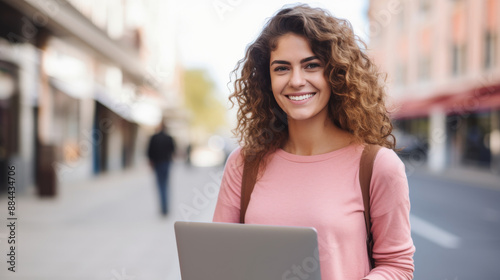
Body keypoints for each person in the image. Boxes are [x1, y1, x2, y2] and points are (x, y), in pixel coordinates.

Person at [213, 4, 415, 280]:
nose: (296, 81)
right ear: (267, 79)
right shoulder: (243, 163)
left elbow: (398, 266)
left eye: (311, 65)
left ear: (335, 73)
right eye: (282, 68)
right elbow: (218, 258)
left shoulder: (377, 165)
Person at [147, 120, 175, 216]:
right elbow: (173, 151)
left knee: (160, 186)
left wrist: (151, 162)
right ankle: (165, 208)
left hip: (157, 164)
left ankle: (163, 208)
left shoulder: (154, 138)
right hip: (166, 163)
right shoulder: (169, 138)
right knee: (165, 185)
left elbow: (149, 152)